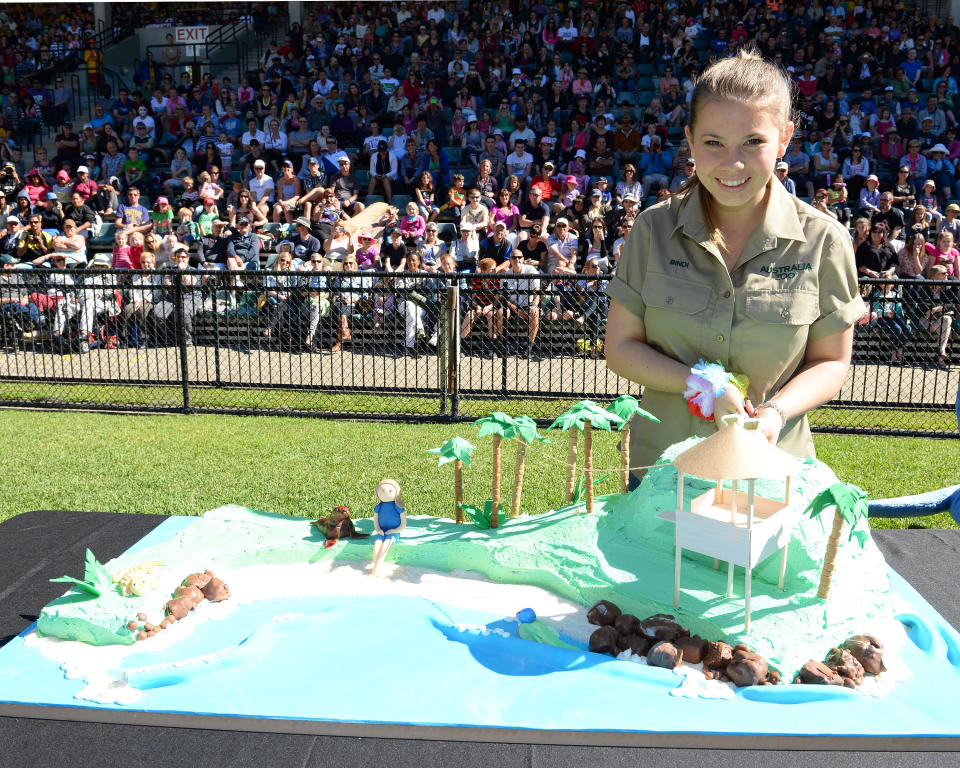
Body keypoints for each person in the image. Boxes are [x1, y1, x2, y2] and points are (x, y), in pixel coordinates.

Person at [604, 50, 865, 482]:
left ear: (784, 138)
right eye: (713, 143)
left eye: (753, 141)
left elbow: (832, 361)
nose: (733, 163)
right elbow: (621, 348)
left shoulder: (824, 240)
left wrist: (777, 412)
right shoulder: (652, 228)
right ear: (690, 141)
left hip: (773, 472)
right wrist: (704, 383)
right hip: (661, 472)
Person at [371, 478, 405, 575]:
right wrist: (378, 529)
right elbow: (376, 521)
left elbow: (403, 525)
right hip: (382, 531)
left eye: (390, 491)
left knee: (386, 544)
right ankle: (376, 565)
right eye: (382, 491)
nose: (385, 493)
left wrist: (394, 530)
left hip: (394, 532)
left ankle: (376, 569)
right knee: (377, 545)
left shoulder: (398, 507)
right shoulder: (378, 507)